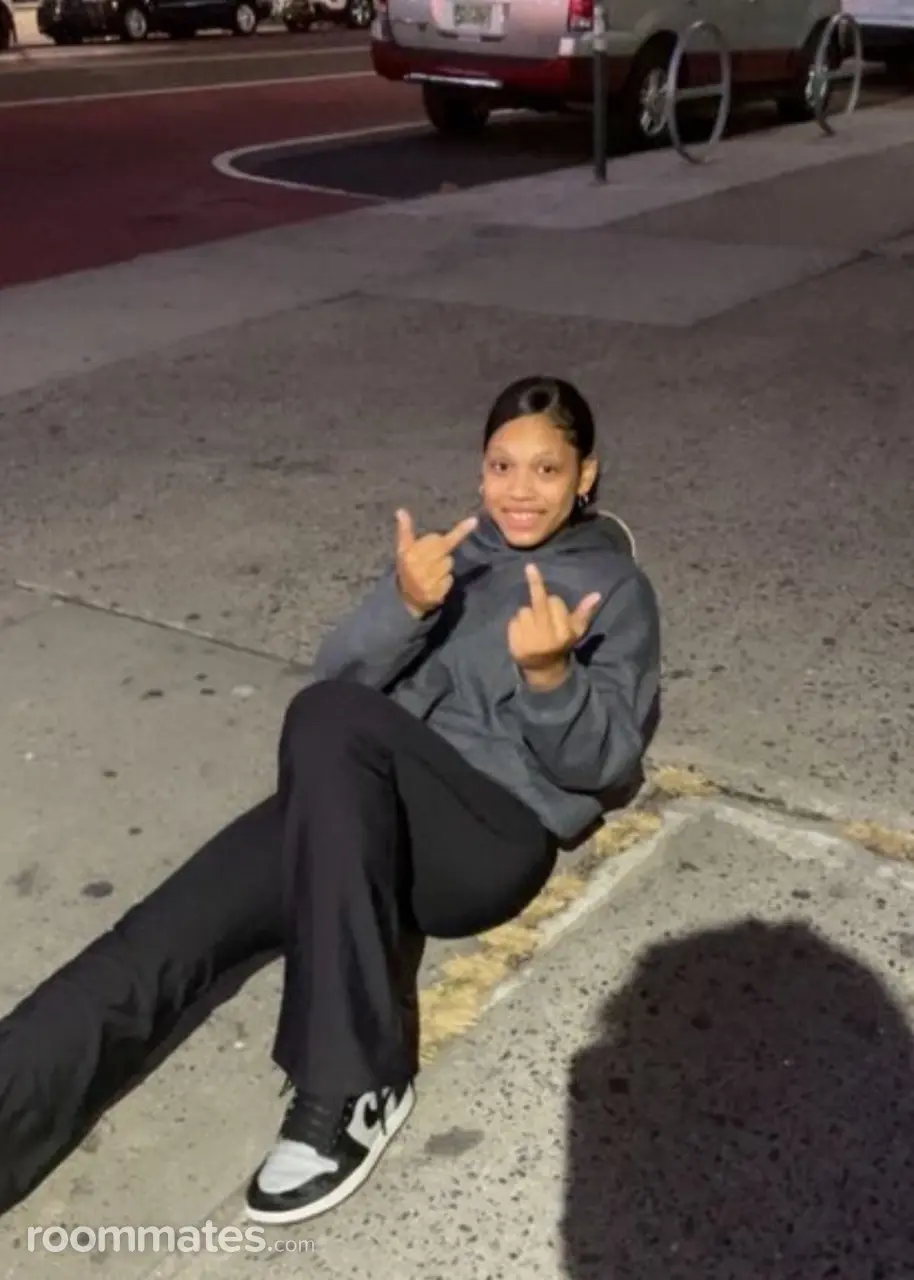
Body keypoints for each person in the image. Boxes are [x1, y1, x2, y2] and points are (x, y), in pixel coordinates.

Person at [0, 375, 661, 1227]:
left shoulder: (612, 588)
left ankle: (354, 1083)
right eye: (502, 466)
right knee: (158, 940)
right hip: (354, 808)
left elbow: (604, 764)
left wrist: (550, 677)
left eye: (546, 469)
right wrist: (404, 603)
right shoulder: (450, 557)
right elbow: (340, 673)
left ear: (585, 475)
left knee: (331, 719)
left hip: (484, 839)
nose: (519, 490)